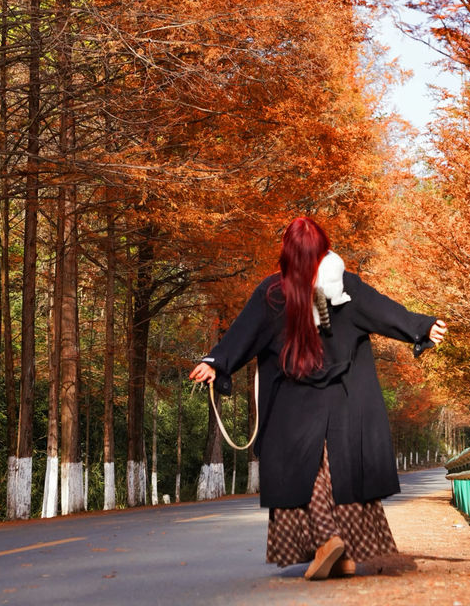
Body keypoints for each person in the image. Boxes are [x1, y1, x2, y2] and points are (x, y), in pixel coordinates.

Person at [189, 217, 447, 581]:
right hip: (345, 402)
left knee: (309, 476)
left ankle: (327, 542)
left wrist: (215, 362)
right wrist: (421, 326)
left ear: (288, 254)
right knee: (339, 473)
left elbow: (242, 334)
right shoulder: (347, 288)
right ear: (324, 249)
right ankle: (342, 554)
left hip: (294, 406)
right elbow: (385, 312)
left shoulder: (273, 293)